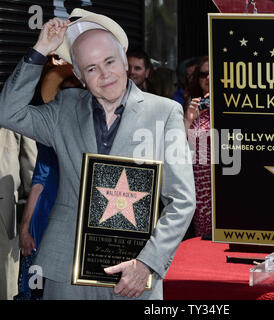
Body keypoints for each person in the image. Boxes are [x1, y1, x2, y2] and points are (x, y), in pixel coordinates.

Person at [0, 8, 195, 300]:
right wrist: (40, 50)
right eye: (91, 68)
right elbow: (8, 112)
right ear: (78, 74)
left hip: (134, 269)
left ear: (126, 62)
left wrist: (148, 262)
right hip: (66, 268)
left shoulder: (164, 113)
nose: (105, 75)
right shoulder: (63, 107)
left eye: (110, 62)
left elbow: (182, 200)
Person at [15, 58, 80, 300]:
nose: (70, 99)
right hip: (44, 218)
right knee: (37, 287)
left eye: (76, 92)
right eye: (64, 93)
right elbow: (39, 180)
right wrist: (25, 227)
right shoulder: (48, 132)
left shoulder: (97, 131)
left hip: (77, 218)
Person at [0, 129, 37, 299]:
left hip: (4, 212)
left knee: (6, 281)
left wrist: (32, 218)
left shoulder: (13, 114)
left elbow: (31, 169)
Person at [183, 56, 212, 238]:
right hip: (199, 189)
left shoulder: (237, 106)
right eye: (203, 74)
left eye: (214, 73)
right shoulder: (193, 108)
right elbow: (176, 148)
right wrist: (188, 119)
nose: (208, 78)